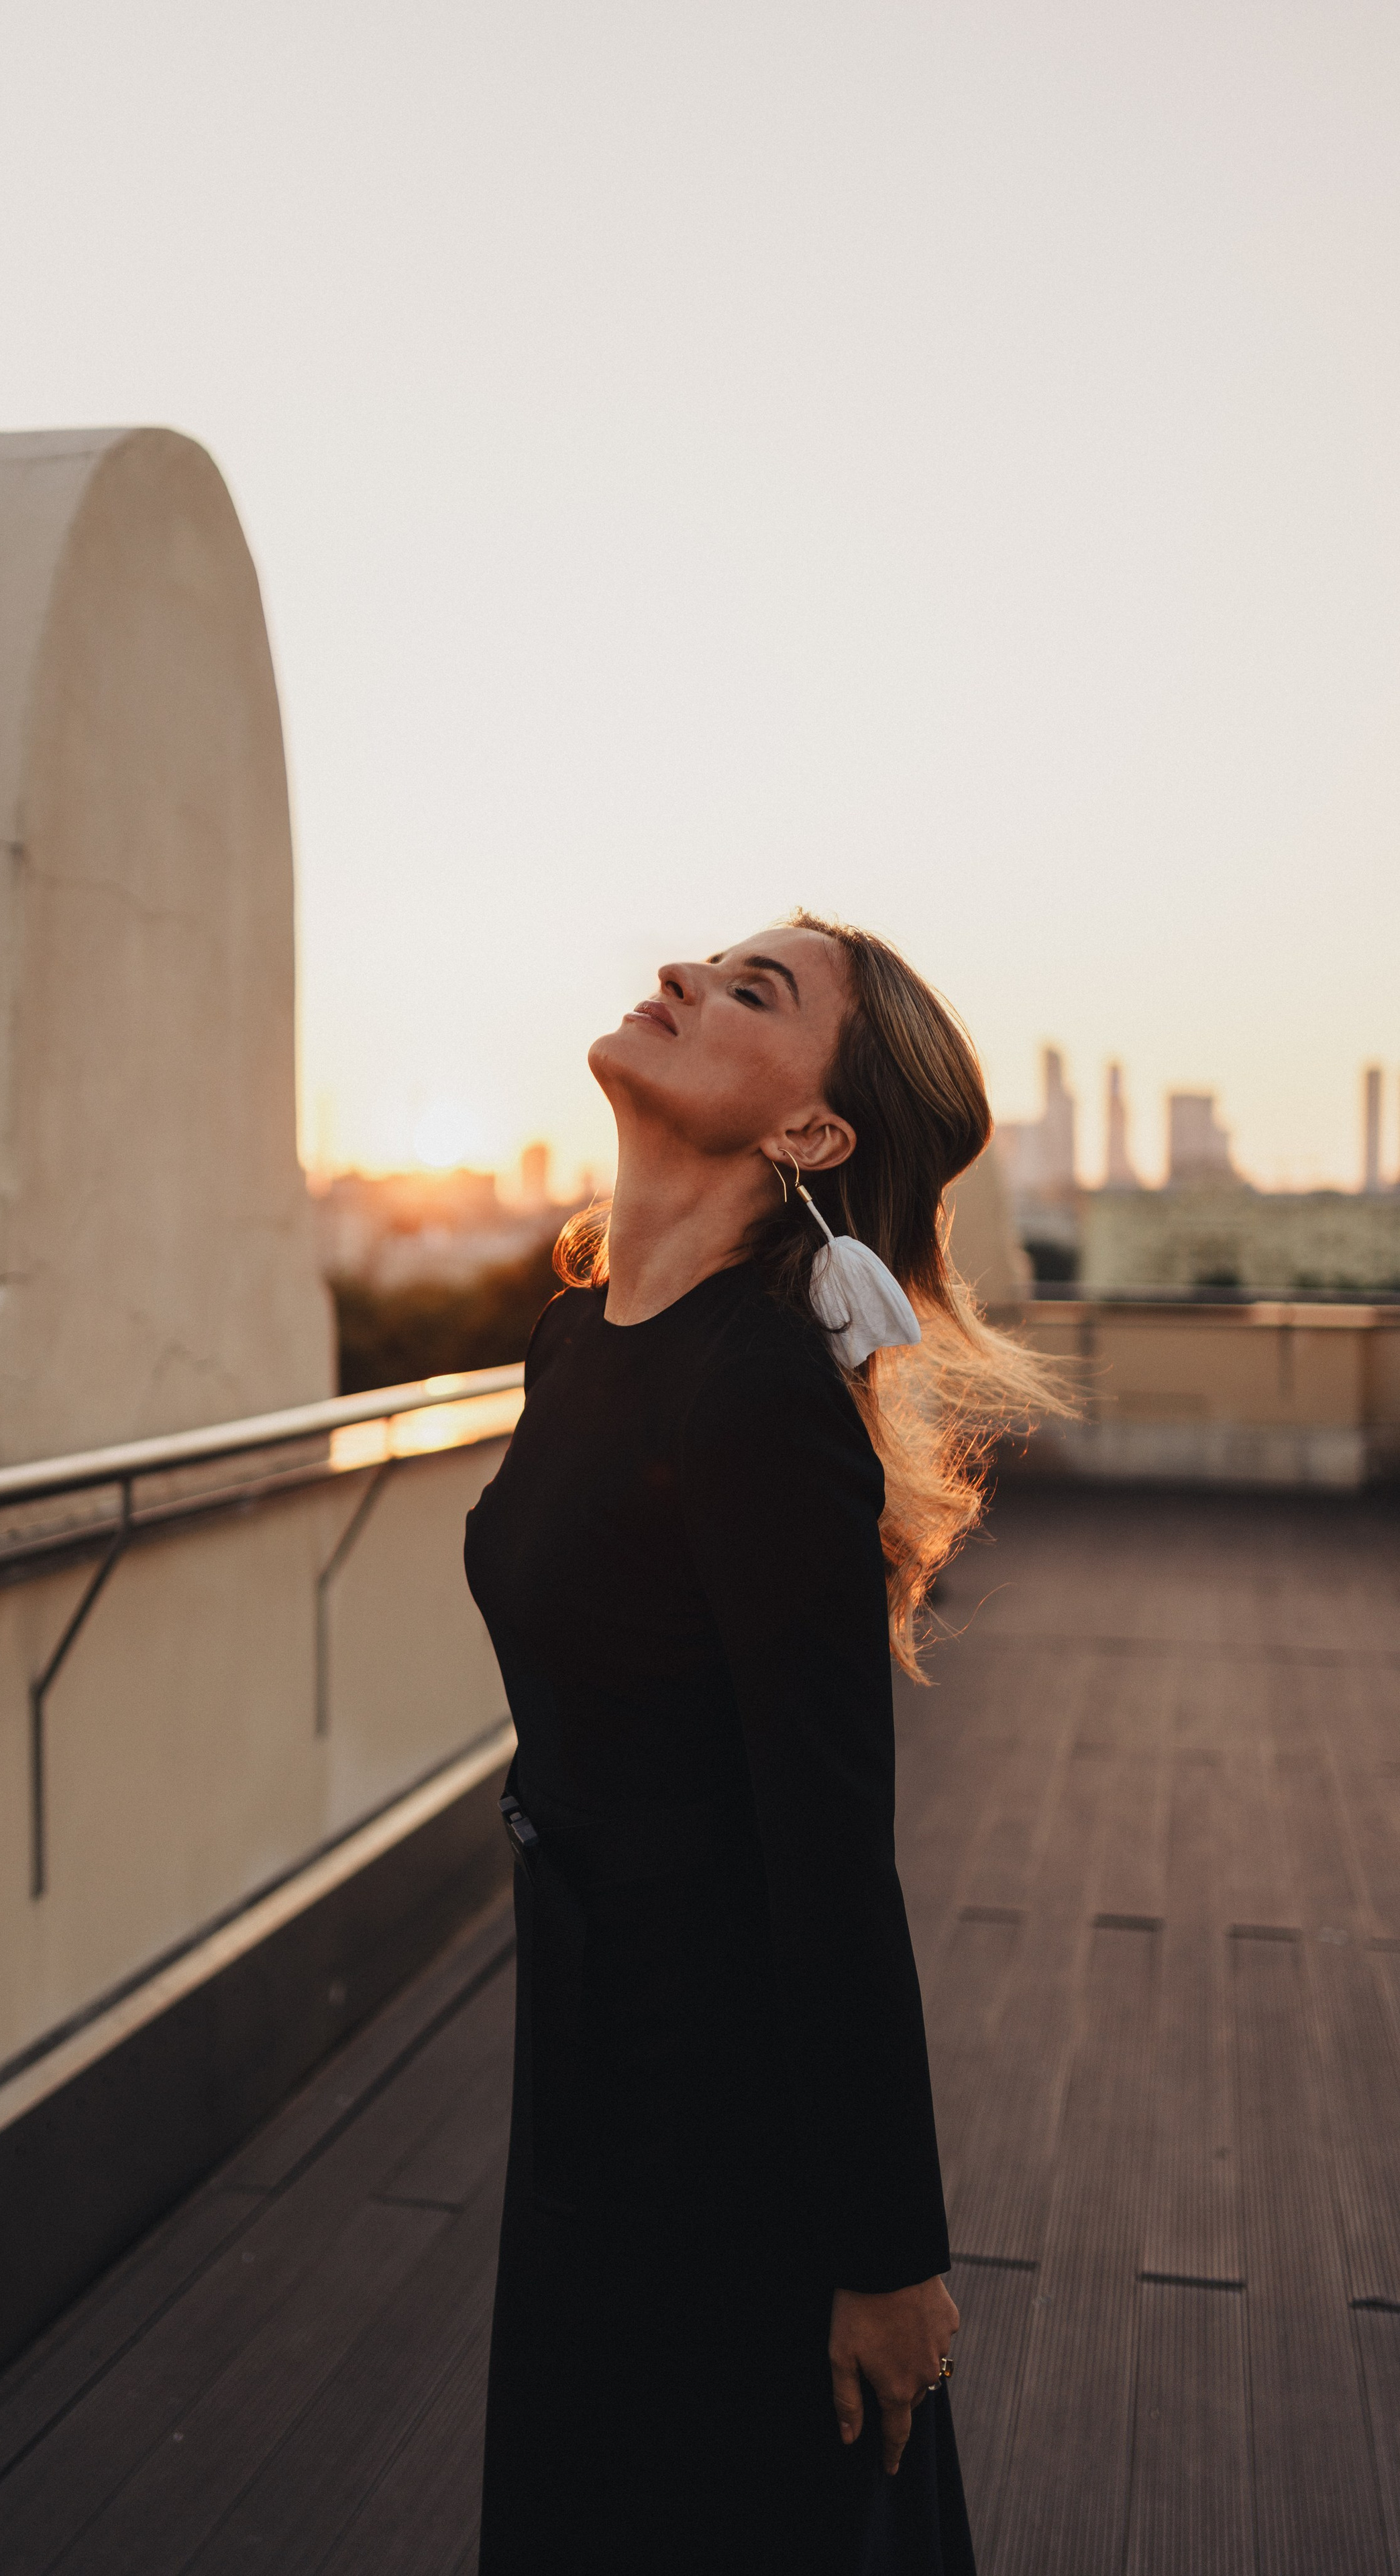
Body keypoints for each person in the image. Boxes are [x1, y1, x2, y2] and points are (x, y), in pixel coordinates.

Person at [466, 912, 1056, 2575]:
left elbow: (824, 1847)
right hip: (581, 2049)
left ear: (809, 1131)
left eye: (752, 990)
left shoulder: (757, 1392)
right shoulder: (577, 1333)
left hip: (722, 2117)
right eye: (705, 961)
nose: (682, 977)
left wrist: (885, 2255)